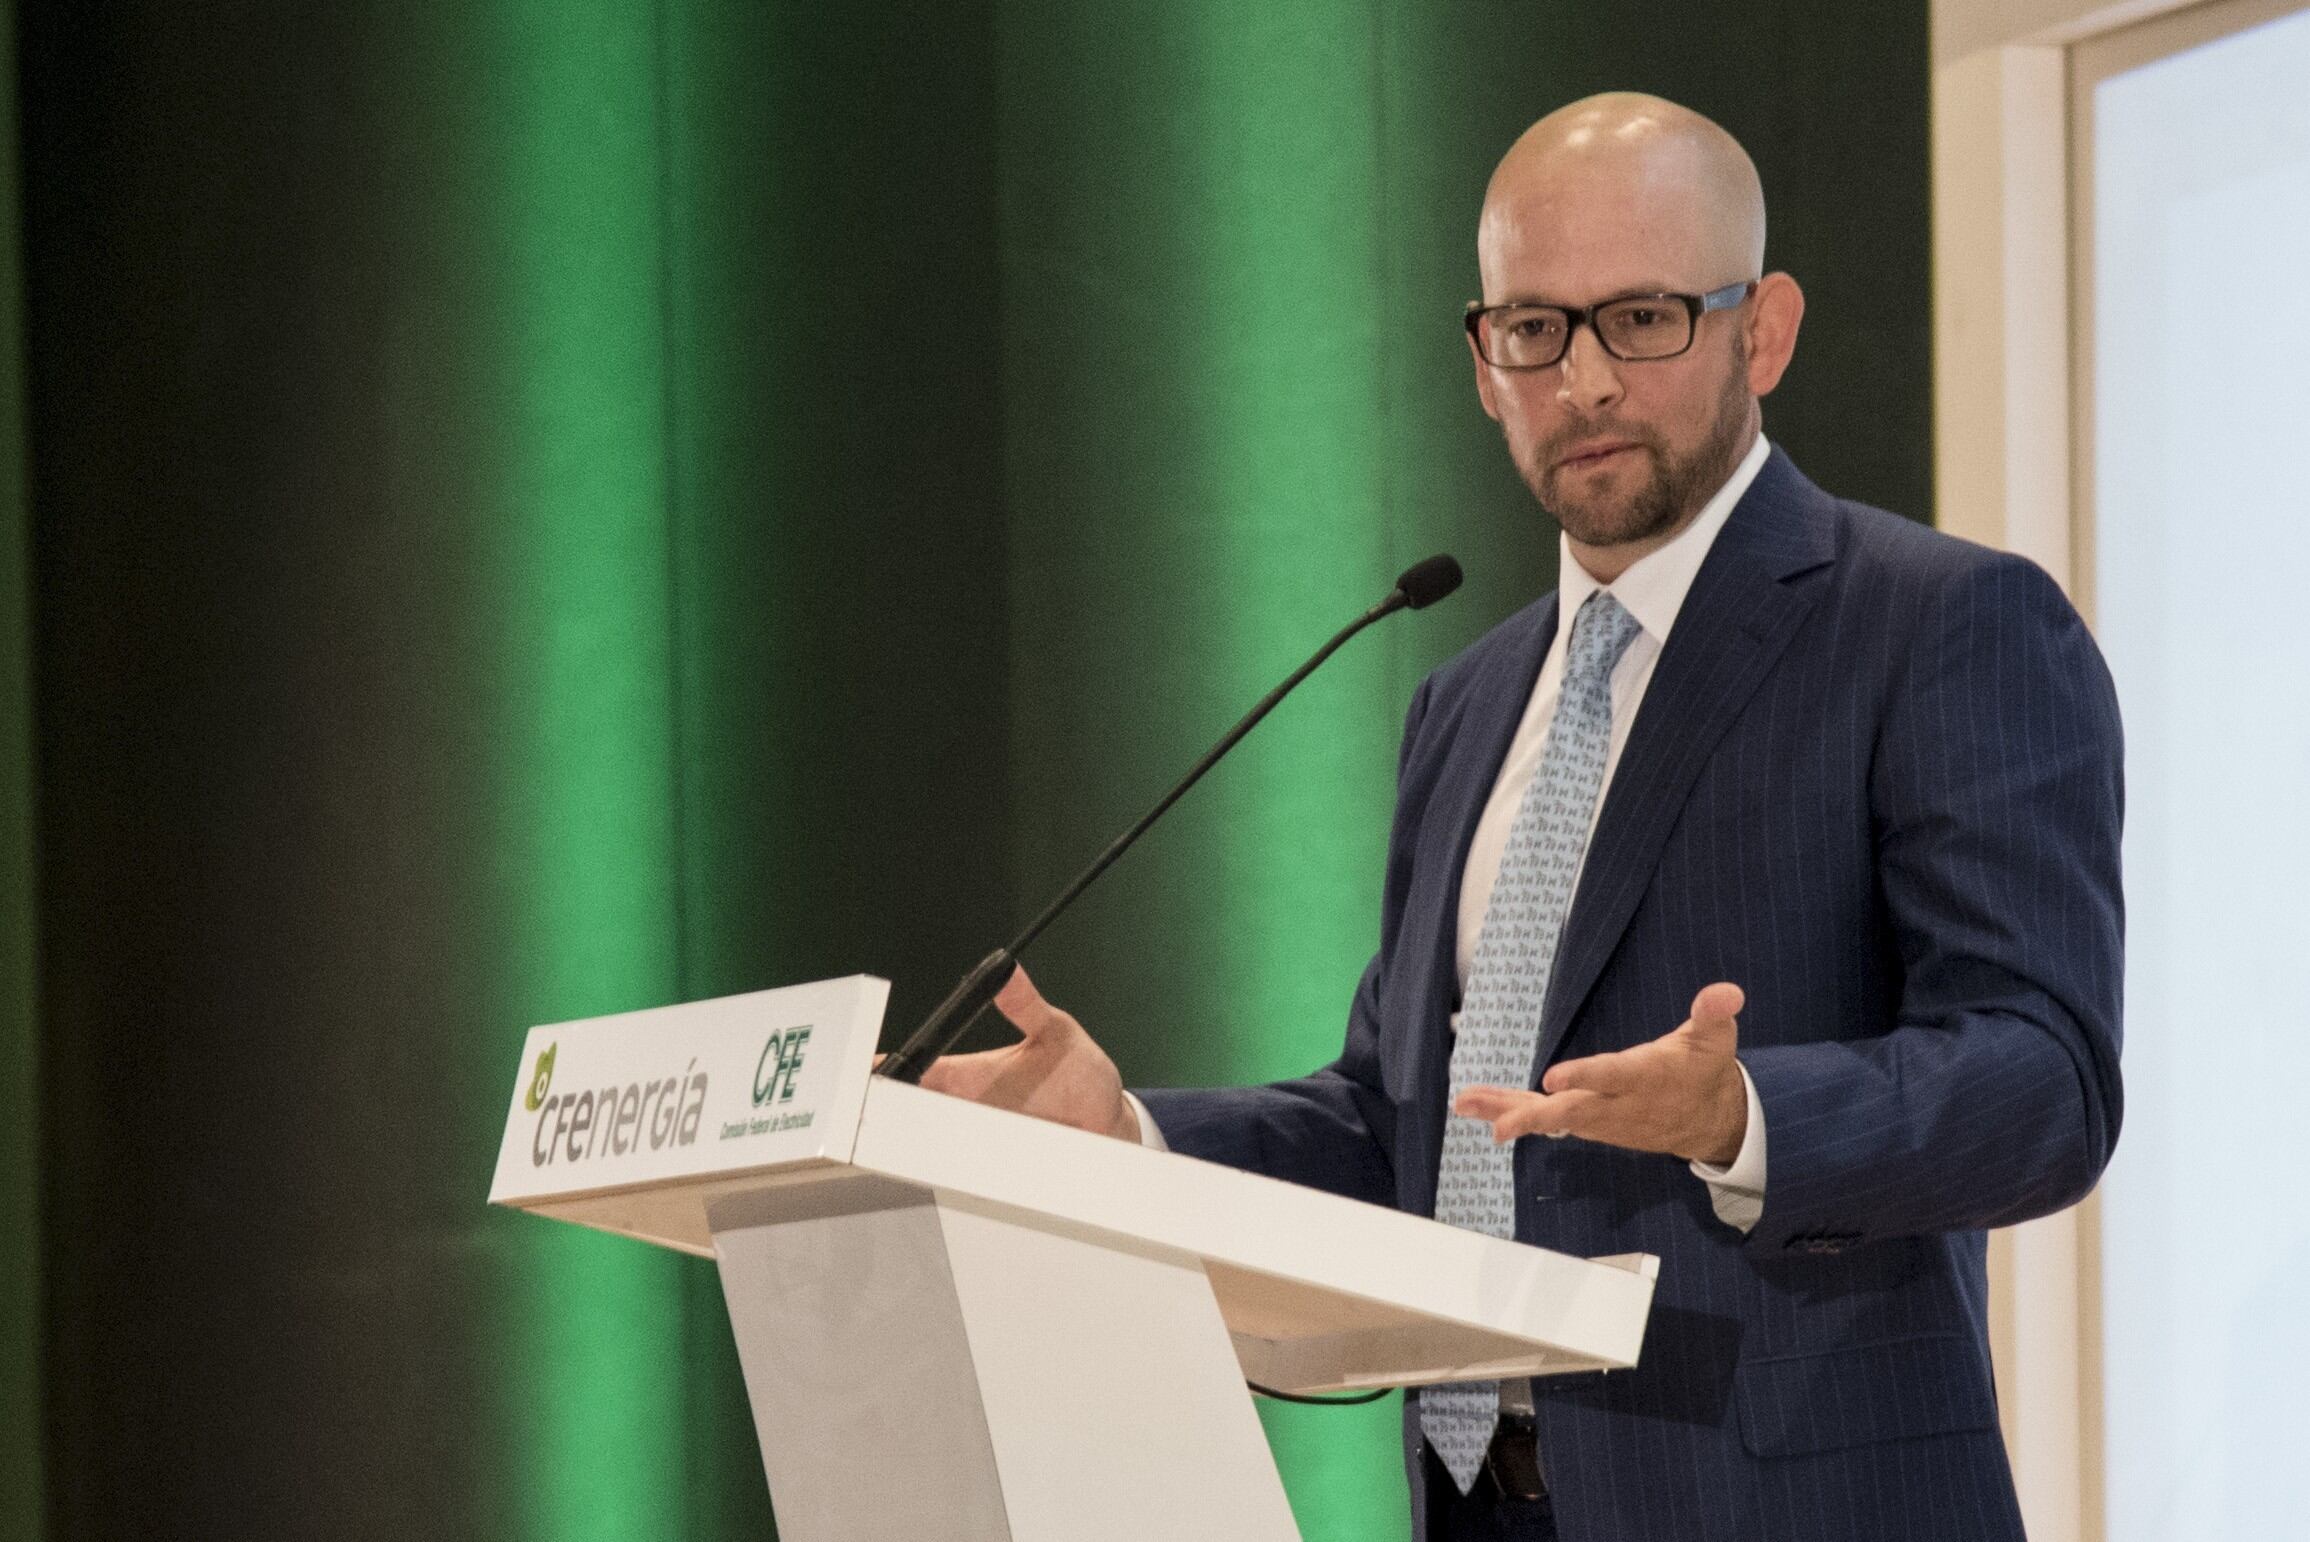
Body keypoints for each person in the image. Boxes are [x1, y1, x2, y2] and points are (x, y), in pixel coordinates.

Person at [921, 92, 2123, 1542]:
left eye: (1643, 317)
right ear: (1483, 365)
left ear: (1766, 330)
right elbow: (1401, 1127)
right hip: (1482, 1506)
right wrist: (1127, 1133)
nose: (1586, 379)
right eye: (1534, 330)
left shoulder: (1934, 624)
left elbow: (2043, 1082)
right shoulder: (1468, 701)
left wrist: (1742, 1116)